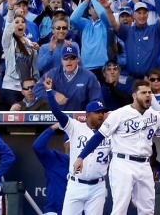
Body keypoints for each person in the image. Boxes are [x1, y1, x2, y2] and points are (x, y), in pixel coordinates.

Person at [73, 80, 160, 214]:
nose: (148, 95)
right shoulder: (119, 114)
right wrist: (81, 157)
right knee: (120, 209)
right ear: (134, 96)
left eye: (149, 92)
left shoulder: (155, 116)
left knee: (147, 209)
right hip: (123, 163)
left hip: (144, 164)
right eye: (143, 92)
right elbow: (98, 137)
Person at [45, 73, 110, 215]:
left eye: (103, 112)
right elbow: (57, 113)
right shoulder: (75, 127)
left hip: (98, 186)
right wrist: (50, 92)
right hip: (76, 184)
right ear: (87, 114)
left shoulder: (109, 132)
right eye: (97, 112)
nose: (101, 115)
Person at [33, 45, 103, 111]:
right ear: (62, 60)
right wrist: (54, 94)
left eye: (72, 58)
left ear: (78, 59)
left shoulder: (89, 76)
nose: (69, 61)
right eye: (66, 58)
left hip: (79, 119)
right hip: (58, 118)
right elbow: (36, 89)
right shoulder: (53, 73)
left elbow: (96, 100)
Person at [32, 123, 69, 215]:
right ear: (65, 145)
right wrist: (52, 128)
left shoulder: (86, 163)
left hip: (77, 210)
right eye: (72, 142)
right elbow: (37, 147)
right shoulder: (55, 158)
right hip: (54, 210)